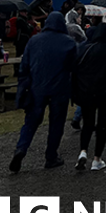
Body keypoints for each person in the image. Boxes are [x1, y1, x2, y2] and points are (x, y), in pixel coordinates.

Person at [9, 12, 77, 172]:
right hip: (59, 88)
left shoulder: (34, 41)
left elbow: (24, 66)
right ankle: (51, 156)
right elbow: (73, 67)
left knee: (31, 121)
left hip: (36, 88)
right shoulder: (68, 43)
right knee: (56, 123)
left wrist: (23, 86)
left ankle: (21, 148)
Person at [73, 22, 106, 172]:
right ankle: (97, 159)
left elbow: (77, 70)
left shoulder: (86, 49)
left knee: (87, 124)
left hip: (87, 92)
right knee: (102, 125)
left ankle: (83, 151)